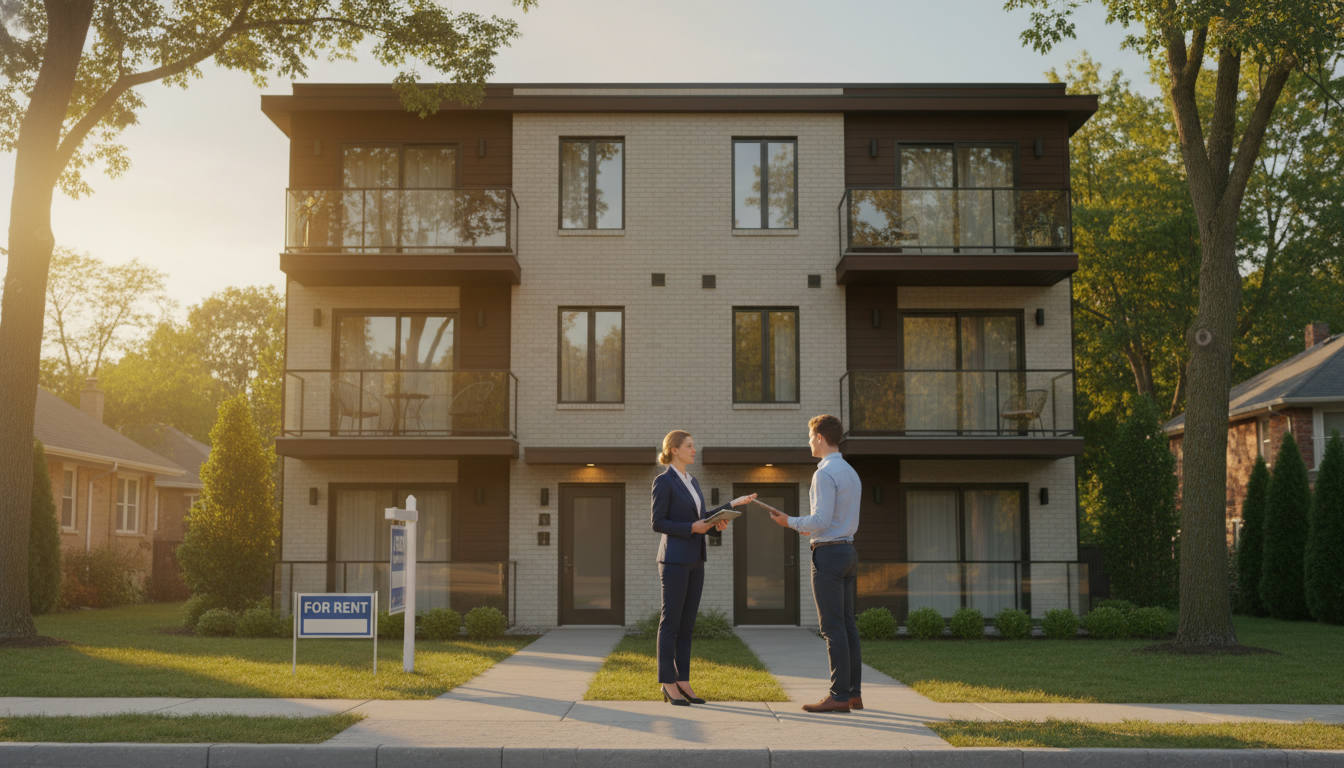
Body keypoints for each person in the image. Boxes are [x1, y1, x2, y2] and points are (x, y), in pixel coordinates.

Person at [650, 430, 756, 706]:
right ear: (674, 450)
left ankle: (682, 680)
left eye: (693, 446)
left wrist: (729, 509)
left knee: (687, 625)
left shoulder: (692, 481)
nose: (694, 450)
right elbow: (658, 522)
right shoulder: (664, 481)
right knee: (670, 623)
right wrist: (691, 528)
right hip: (673, 560)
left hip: (696, 559)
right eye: (689, 446)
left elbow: (702, 519)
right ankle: (667, 683)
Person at [767, 414, 863, 713]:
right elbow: (832, 520)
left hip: (829, 555)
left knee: (832, 628)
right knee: (847, 626)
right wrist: (807, 526)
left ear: (820, 437)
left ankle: (838, 696)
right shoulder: (850, 471)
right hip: (847, 551)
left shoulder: (824, 473)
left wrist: (789, 522)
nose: (809, 442)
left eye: (810, 437)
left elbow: (821, 520)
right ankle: (853, 694)